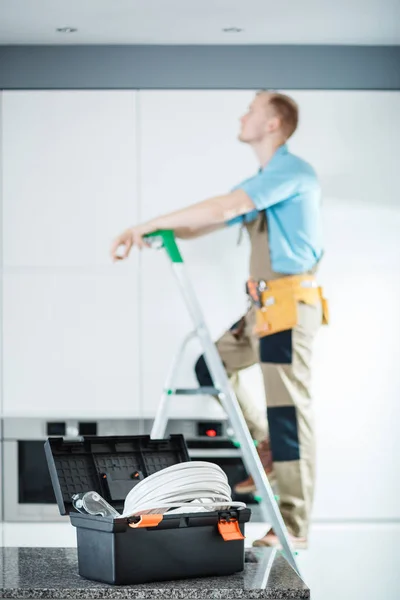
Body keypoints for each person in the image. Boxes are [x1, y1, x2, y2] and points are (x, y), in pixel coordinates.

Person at [110, 90, 327, 549]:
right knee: (210, 366)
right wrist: (159, 229)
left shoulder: (291, 171)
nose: (243, 115)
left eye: (252, 109)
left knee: (288, 414)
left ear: (272, 124)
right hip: (262, 311)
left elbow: (224, 208)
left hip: (286, 309)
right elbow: (206, 223)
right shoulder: (265, 179)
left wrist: (147, 223)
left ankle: (295, 524)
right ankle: (264, 448)